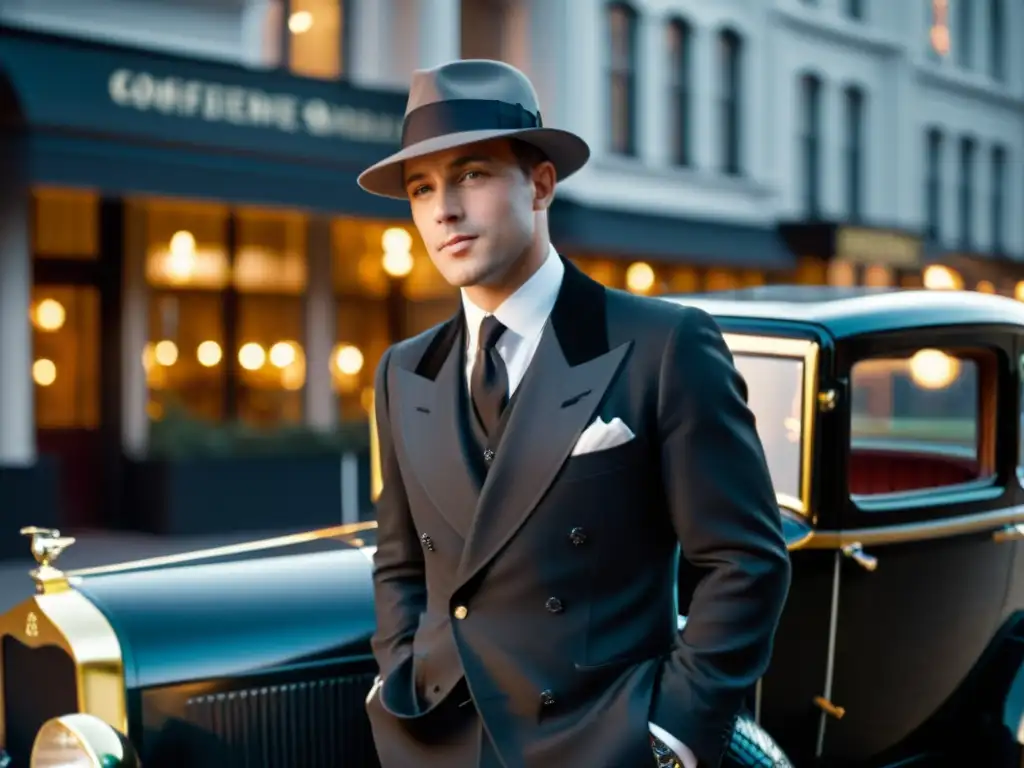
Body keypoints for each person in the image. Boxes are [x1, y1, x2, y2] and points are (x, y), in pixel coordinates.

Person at [357, 58, 791, 768]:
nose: (444, 211)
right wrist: (395, 675)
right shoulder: (404, 371)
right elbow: (400, 562)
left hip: (601, 744)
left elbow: (745, 561)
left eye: (471, 175)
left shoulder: (663, 345)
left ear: (540, 183)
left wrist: (670, 733)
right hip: (436, 744)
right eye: (421, 189)